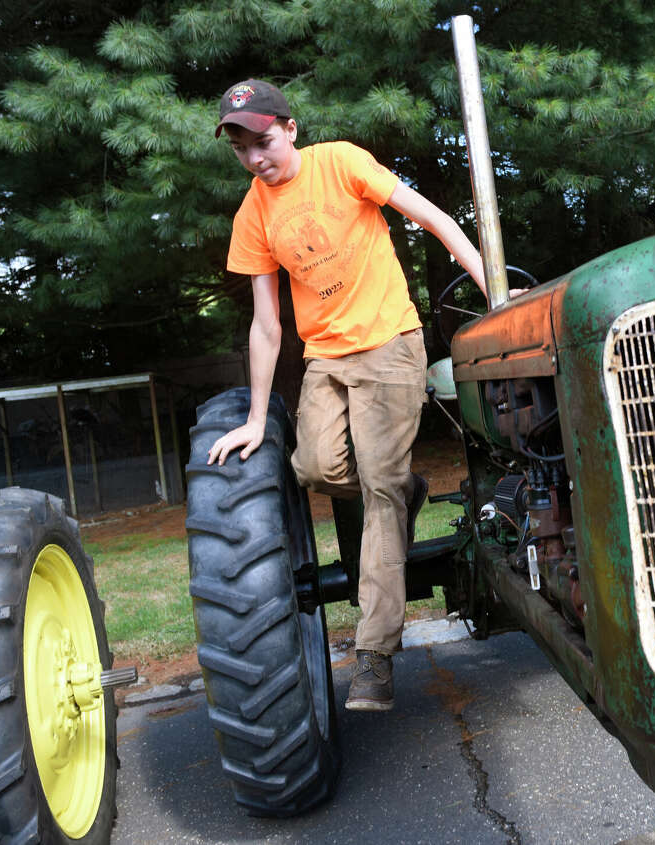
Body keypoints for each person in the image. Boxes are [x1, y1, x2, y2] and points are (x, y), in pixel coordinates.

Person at [206, 78, 488, 712]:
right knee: (313, 466)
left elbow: (434, 218)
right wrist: (256, 418)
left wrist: (495, 290)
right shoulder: (253, 214)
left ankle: (375, 654)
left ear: (290, 129)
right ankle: (408, 491)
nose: (255, 156)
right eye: (241, 148)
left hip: (389, 343)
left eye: (263, 139)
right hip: (325, 357)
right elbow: (265, 323)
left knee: (380, 491)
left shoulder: (342, 162)